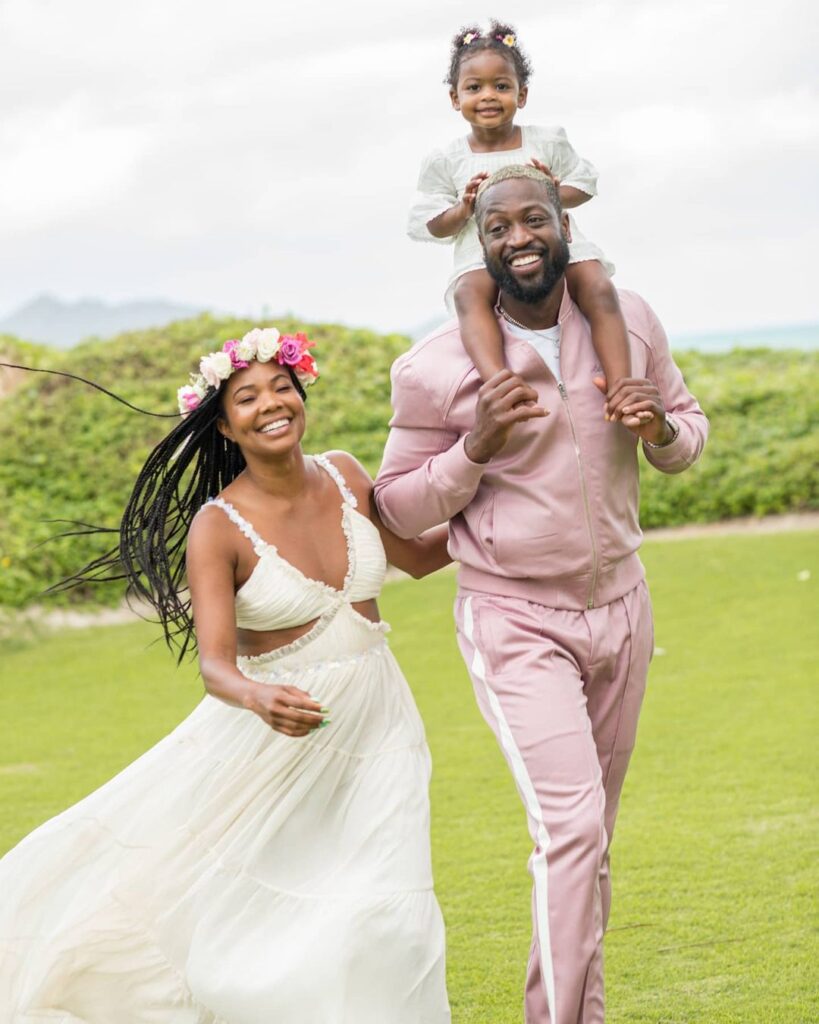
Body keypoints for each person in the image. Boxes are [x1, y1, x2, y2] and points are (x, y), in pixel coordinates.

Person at [0, 328, 452, 1024]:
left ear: (302, 397)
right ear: (223, 421)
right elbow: (215, 664)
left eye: (281, 388)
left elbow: (418, 559)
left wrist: (514, 503)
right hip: (275, 737)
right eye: (247, 397)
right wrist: (256, 695)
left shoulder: (345, 474)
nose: (269, 404)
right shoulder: (217, 528)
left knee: (389, 897)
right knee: (238, 897)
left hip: (380, 721)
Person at [376, 165, 709, 1023]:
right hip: (513, 619)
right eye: (497, 229)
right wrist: (474, 445)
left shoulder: (626, 321)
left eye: (533, 220)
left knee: (590, 844)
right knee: (570, 831)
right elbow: (400, 507)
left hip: (624, 608)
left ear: (565, 221)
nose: (517, 238)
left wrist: (661, 429)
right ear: (476, 243)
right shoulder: (434, 367)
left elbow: (685, 433)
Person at [408, 20, 640, 422]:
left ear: (523, 93)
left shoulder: (546, 141)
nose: (488, 96)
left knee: (597, 286)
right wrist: (464, 210)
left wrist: (552, 192)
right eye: (474, 87)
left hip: (552, 244)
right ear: (454, 97)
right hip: (483, 253)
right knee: (469, 294)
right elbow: (429, 221)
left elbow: (584, 184)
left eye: (501, 86)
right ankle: (501, 384)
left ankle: (620, 385)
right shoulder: (448, 160)